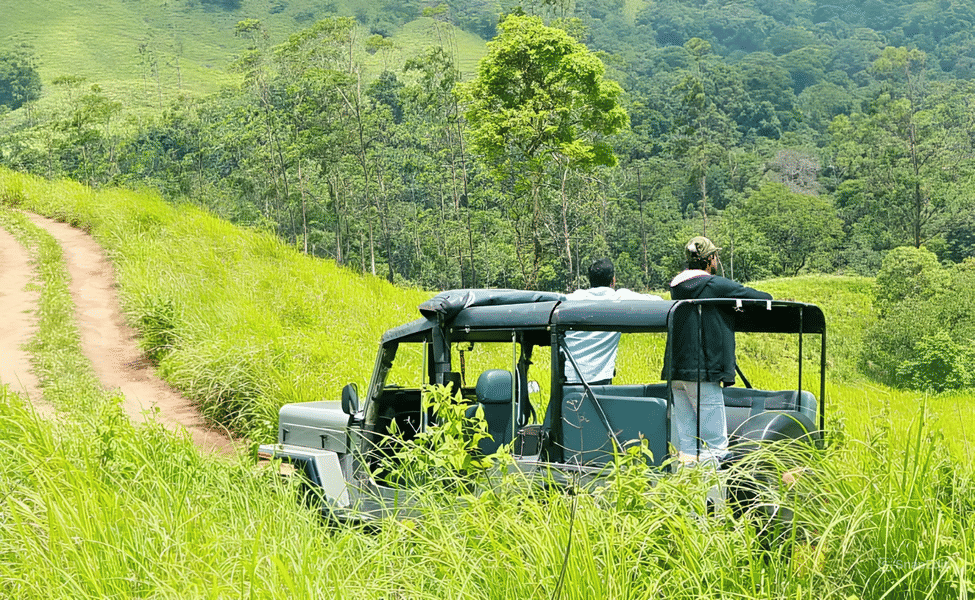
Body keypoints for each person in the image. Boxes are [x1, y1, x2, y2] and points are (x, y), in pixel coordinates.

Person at [664, 236, 772, 467]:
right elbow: (762, 298)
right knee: (715, 444)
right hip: (703, 371)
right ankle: (714, 496)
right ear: (710, 259)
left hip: (676, 371)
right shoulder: (714, 285)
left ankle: (687, 489)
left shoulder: (676, 288)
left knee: (687, 443)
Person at [563, 258, 662, 385]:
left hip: (567, 377)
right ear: (613, 280)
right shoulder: (619, 299)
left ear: (590, 279)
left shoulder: (572, 299)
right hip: (599, 380)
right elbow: (659, 303)